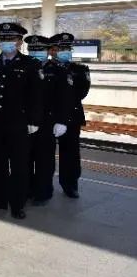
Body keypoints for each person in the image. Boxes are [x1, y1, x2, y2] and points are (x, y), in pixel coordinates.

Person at [0, 22, 42, 220]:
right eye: (3, 39)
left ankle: (17, 203)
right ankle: (0, 200)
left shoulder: (31, 65)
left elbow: (37, 96)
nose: (6, 42)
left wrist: (34, 120)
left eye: (11, 39)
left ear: (20, 42)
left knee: (20, 166)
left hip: (20, 124)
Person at [26, 34, 75, 205]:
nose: (36, 52)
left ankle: (43, 193)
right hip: (25, 121)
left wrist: (62, 120)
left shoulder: (59, 70)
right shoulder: (23, 67)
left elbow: (66, 98)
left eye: (40, 49)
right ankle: (27, 190)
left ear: (48, 51)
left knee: (44, 160)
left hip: (48, 122)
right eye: (32, 49)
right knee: (25, 159)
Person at [51, 33, 90, 198]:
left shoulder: (80, 69)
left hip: (71, 117)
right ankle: (42, 185)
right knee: (44, 153)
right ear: (52, 50)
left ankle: (70, 184)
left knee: (71, 153)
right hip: (48, 116)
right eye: (61, 48)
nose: (65, 51)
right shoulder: (43, 68)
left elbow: (82, 92)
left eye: (67, 48)